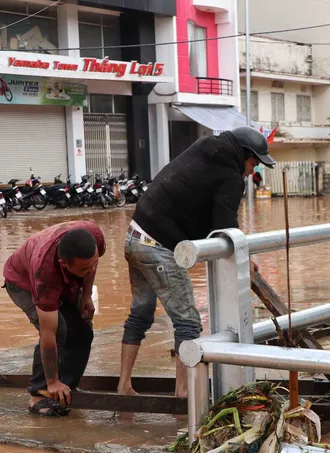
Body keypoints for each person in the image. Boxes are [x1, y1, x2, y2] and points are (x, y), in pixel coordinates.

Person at [118, 126, 275, 397]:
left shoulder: (205, 148)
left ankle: (123, 386)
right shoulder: (230, 177)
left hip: (134, 235)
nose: (252, 171)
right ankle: (184, 395)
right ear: (244, 154)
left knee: (140, 315)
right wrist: (243, 261)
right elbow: (226, 226)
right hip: (158, 247)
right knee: (189, 323)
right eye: (252, 163)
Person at [4, 222, 104, 416]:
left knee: (83, 329)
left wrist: (86, 295)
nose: (91, 271)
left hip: (65, 280)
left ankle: (67, 386)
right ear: (63, 264)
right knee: (59, 331)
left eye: (93, 264)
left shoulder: (95, 236)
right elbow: (48, 332)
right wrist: (51, 381)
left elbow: (92, 265)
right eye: (85, 269)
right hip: (22, 282)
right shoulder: (45, 273)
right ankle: (38, 394)